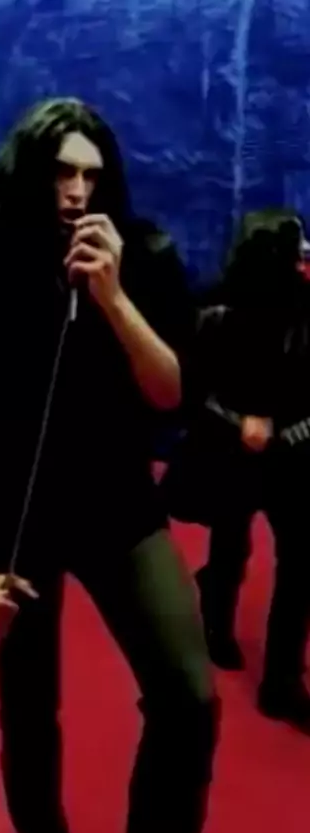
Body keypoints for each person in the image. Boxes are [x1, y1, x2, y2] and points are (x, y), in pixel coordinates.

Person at [0, 98, 219, 833]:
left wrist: (113, 298)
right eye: (61, 174)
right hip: (15, 513)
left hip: (118, 502)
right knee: (29, 715)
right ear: (29, 174)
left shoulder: (142, 253)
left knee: (190, 697)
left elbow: (172, 394)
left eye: (91, 176)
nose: (77, 192)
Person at [164, 208, 310, 734]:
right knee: (231, 542)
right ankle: (215, 620)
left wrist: (291, 428)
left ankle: (282, 682)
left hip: (295, 450)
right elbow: (184, 389)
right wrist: (238, 421)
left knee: (301, 563)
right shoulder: (213, 309)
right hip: (230, 447)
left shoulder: (304, 307)